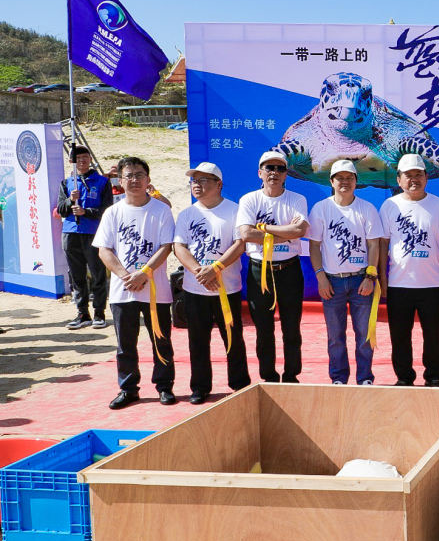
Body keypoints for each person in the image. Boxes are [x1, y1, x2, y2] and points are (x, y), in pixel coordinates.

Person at [93, 157, 176, 409]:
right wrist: (125, 275)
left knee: (161, 340)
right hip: (123, 291)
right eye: (128, 175)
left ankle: (164, 386)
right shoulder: (113, 212)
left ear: (148, 179)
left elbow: (166, 246)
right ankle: (128, 389)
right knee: (125, 344)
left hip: (156, 290)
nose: (134, 180)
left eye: (139, 175)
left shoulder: (161, 210)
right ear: (120, 180)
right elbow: (104, 249)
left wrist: (144, 273)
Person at [172, 161, 250, 404]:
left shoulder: (235, 210)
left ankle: (240, 384)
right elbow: (179, 246)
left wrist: (216, 268)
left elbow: (240, 244)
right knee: (197, 341)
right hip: (195, 289)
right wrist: (199, 272)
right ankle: (200, 387)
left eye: (203, 180)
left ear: (219, 184)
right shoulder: (187, 214)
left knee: (233, 339)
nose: (197, 185)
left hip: (227, 288)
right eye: (194, 181)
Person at [380, 153, 439, 387]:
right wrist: (382, 277)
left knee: (433, 334)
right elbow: (382, 244)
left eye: (418, 174)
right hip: (398, 284)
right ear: (399, 179)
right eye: (408, 175)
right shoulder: (390, 206)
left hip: (431, 283)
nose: (414, 180)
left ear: (426, 177)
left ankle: (434, 375)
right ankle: (404, 377)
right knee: (400, 334)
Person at [236, 151, 309, 383]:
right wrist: (285, 232)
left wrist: (263, 228)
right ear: (260, 173)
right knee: (264, 328)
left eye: (280, 169)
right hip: (260, 271)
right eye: (269, 168)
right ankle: (268, 376)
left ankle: (291, 376)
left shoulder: (297, 199)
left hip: (289, 270)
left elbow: (299, 231)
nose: (274, 173)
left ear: (286, 174)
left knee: (291, 327)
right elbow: (246, 234)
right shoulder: (249, 200)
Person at [309, 160, 384, 386]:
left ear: (356, 181)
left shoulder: (367, 209)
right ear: (331, 182)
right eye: (340, 178)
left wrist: (370, 277)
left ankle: (365, 378)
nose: (345, 182)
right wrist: (321, 277)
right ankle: (339, 378)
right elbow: (314, 246)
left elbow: (373, 244)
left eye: (349, 178)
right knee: (335, 337)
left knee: (364, 335)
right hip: (332, 282)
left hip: (361, 280)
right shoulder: (321, 209)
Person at [57, 144, 113, 329]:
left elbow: (107, 210)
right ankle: (82, 313)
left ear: (90, 159)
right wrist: (69, 200)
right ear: (72, 161)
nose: (82, 161)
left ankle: (99, 313)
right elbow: (61, 209)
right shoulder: (67, 183)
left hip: (93, 233)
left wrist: (86, 212)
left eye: (85, 157)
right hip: (70, 233)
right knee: (77, 275)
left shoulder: (102, 182)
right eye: (78, 158)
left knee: (97, 274)